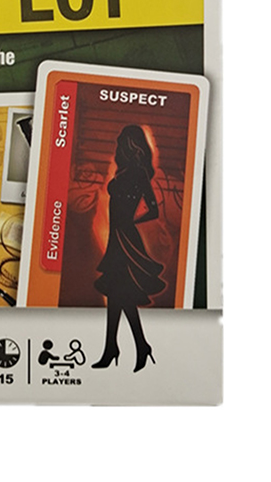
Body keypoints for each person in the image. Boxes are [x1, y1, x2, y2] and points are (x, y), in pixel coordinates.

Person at [92, 125, 166, 372]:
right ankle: (123, 346)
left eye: (121, 143)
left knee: (119, 293)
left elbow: (153, 210)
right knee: (117, 294)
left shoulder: (138, 173)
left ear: (130, 146)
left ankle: (119, 348)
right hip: (117, 237)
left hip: (125, 240)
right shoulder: (126, 171)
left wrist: (130, 222)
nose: (117, 147)